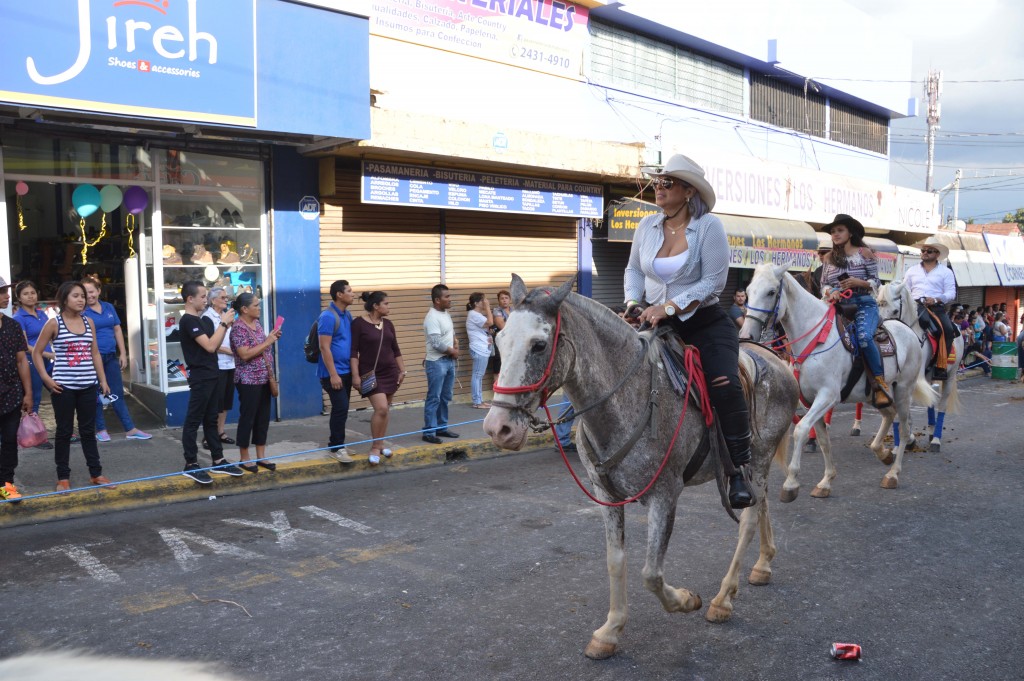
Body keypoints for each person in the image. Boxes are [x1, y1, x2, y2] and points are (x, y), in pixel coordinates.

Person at [625, 154, 753, 509]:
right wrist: (633, 301)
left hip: (705, 323)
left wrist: (667, 307)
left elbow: (714, 280)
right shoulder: (646, 226)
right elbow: (634, 270)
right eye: (657, 183)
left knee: (724, 384)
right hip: (654, 323)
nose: (658, 188)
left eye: (667, 183)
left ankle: (739, 468)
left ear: (688, 190)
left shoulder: (709, 226)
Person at [32, 281, 113, 491]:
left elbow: (94, 352)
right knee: (64, 431)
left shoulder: (89, 322)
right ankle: (63, 478)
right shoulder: (54, 323)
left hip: (88, 385)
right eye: (76, 296)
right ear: (64, 299)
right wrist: (46, 379)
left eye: (83, 296)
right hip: (63, 387)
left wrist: (102, 380)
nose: (81, 300)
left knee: (88, 431)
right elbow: (36, 352)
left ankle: (96, 474)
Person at [819, 213, 890, 408]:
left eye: (839, 230)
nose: (835, 234)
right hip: (838, 305)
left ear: (850, 233)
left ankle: (879, 383)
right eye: (833, 232)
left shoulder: (865, 253)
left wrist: (860, 282)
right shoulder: (828, 258)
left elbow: (877, 282)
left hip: (864, 303)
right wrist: (831, 292)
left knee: (864, 337)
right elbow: (823, 285)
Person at [177, 281, 244, 484]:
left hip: (213, 374)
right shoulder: (189, 321)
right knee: (193, 421)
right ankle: (191, 464)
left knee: (211, 420)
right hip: (201, 377)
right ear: (190, 299)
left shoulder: (202, 320)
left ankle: (218, 459)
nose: (205, 300)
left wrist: (225, 325)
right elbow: (209, 346)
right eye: (203, 296)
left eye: (206, 296)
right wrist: (223, 323)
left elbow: (215, 345)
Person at [81, 275, 151, 442]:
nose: (89, 296)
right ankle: (101, 429)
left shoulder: (108, 307)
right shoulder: (82, 312)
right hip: (92, 359)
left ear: (98, 291)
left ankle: (130, 429)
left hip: (111, 357)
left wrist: (123, 353)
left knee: (117, 393)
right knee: (97, 394)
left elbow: (117, 330)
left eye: (91, 291)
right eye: (85, 293)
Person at [351, 291, 406, 465]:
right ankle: (375, 447)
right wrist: (355, 376)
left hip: (390, 372)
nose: (389, 307)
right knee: (381, 408)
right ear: (376, 306)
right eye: (386, 304)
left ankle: (381, 444)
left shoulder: (388, 324)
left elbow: (395, 349)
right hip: (371, 374)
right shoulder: (358, 324)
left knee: (386, 409)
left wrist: (402, 370)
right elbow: (353, 352)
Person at [229, 292, 281, 473]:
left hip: (264, 377)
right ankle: (244, 457)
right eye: (256, 305)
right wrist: (268, 342)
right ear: (244, 309)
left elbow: (261, 346)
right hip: (248, 380)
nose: (259, 308)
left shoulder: (257, 324)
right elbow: (245, 354)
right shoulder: (238, 328)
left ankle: (261, 456)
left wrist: (271, 338)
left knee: (263, 418)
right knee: (248, 417)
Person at [903, 237, 957, 380]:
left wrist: (936, 299)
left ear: (937, 254)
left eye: (929, 251)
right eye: (923, 250)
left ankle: (941, 366)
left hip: (935, 308)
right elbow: (905, 289)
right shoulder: (911, 271)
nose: (925, 253)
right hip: (914, 307)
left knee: (948, 330)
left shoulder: (946, 272)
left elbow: (951, 293)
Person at [0, 276, 33, 501]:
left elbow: (22, 361)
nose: (7, 296)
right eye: (2, 292)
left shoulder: (13, 325)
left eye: (6, 291)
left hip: (11, 394)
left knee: (10, 441)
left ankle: (6, 485)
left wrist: (28, 393)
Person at [12, 280, 54, 448]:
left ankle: (67, 431)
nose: (30, 296)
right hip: (32, 361)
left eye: (33, 293)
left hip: (47, 361)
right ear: (19, 298)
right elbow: (24, 345)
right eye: (26, 294)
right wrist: (48, 353)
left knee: (59, 391)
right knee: (34, 397)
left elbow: (51, 335)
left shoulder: (42, 314)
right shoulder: (18, 318)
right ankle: (35, 436)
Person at [318, 280, 355, 463]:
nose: (352, 293)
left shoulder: (347, 315)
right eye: (349, 291)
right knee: (340, 408)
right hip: (333, 373)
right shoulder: (328, 317)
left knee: (343, 409)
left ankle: (338, 444)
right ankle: (336, 447)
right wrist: (333, 374)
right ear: (339, 294)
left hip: (346, 370)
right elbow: (325, 348)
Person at [422, 284, 460, 444]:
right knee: (434, 397)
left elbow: (449, 333)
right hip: (437, 362)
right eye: (447, 297)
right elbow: (436, 343)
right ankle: (429, 431)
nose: (450, 299)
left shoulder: (445, 314)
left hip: (448, 361)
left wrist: (455, 342)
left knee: (445, 397)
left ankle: (441, 427)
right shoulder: (432, 317)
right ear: (437, 300)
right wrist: (453, 351)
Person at [202, 287, 236, 450]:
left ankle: (220, 432)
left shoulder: (228, 315)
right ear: (213, 300)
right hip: (218, 364)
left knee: (225, 402)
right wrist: (230, 351)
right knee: (215, 402)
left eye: (227, 297)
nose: (226, 300)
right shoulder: (208, 318)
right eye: (222, 297)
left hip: (231, 364)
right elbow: (210, 343)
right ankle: (209, 435)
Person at [466, 292, 494, 409]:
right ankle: (477, 402)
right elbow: (490, 322)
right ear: (477, 303)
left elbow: (487, 327)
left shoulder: (477, 315)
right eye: (483, 300)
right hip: (479, 349)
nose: (485, 302)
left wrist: (488, 334)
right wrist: (488, 308)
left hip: (482, 348)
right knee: (477, 375)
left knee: (479, 375)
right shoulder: (473, 314)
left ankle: (480, 400)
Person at [490, 289, 513, 376]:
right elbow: (502, 326)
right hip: (501, 342)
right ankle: (497, 389)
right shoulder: (497, 311)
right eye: (502, 298)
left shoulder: (513, 310)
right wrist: (514, 324)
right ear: (499, 300)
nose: (504, 300)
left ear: (510, 300)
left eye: (506, 298)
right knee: (498, 365)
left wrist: (507, 322)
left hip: (513, 341)